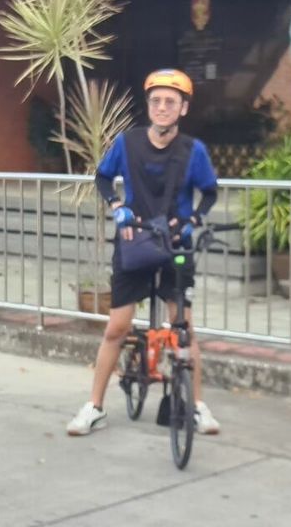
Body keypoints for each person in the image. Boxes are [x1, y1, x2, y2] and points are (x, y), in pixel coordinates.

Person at [67, 69, 223, 437]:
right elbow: (103, 177)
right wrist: (117, 206)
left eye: (170, 101)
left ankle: (197, 406)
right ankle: (94, 406)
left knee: (184, 328)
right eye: (156, 101)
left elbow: (210, 192)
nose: (162, 107)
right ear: (149, 106)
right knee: (116, 328)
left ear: (183, 108)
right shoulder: (128, 143)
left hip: (176, 244)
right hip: (134, 242)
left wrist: (194, 220)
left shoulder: (193, 151)